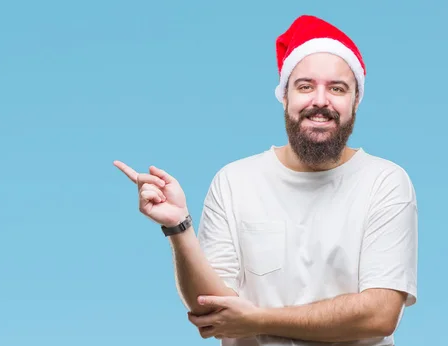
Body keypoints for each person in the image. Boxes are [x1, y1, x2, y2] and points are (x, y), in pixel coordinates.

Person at [113, 14, 417, 346]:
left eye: (337, 88)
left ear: (355, 100)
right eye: (305, 86)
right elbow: (213, 311)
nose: (320, 100)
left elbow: (380, 315)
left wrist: (257, 320)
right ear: (284, 96)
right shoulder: (234, 182)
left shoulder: (385, 182)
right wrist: (178, 227)